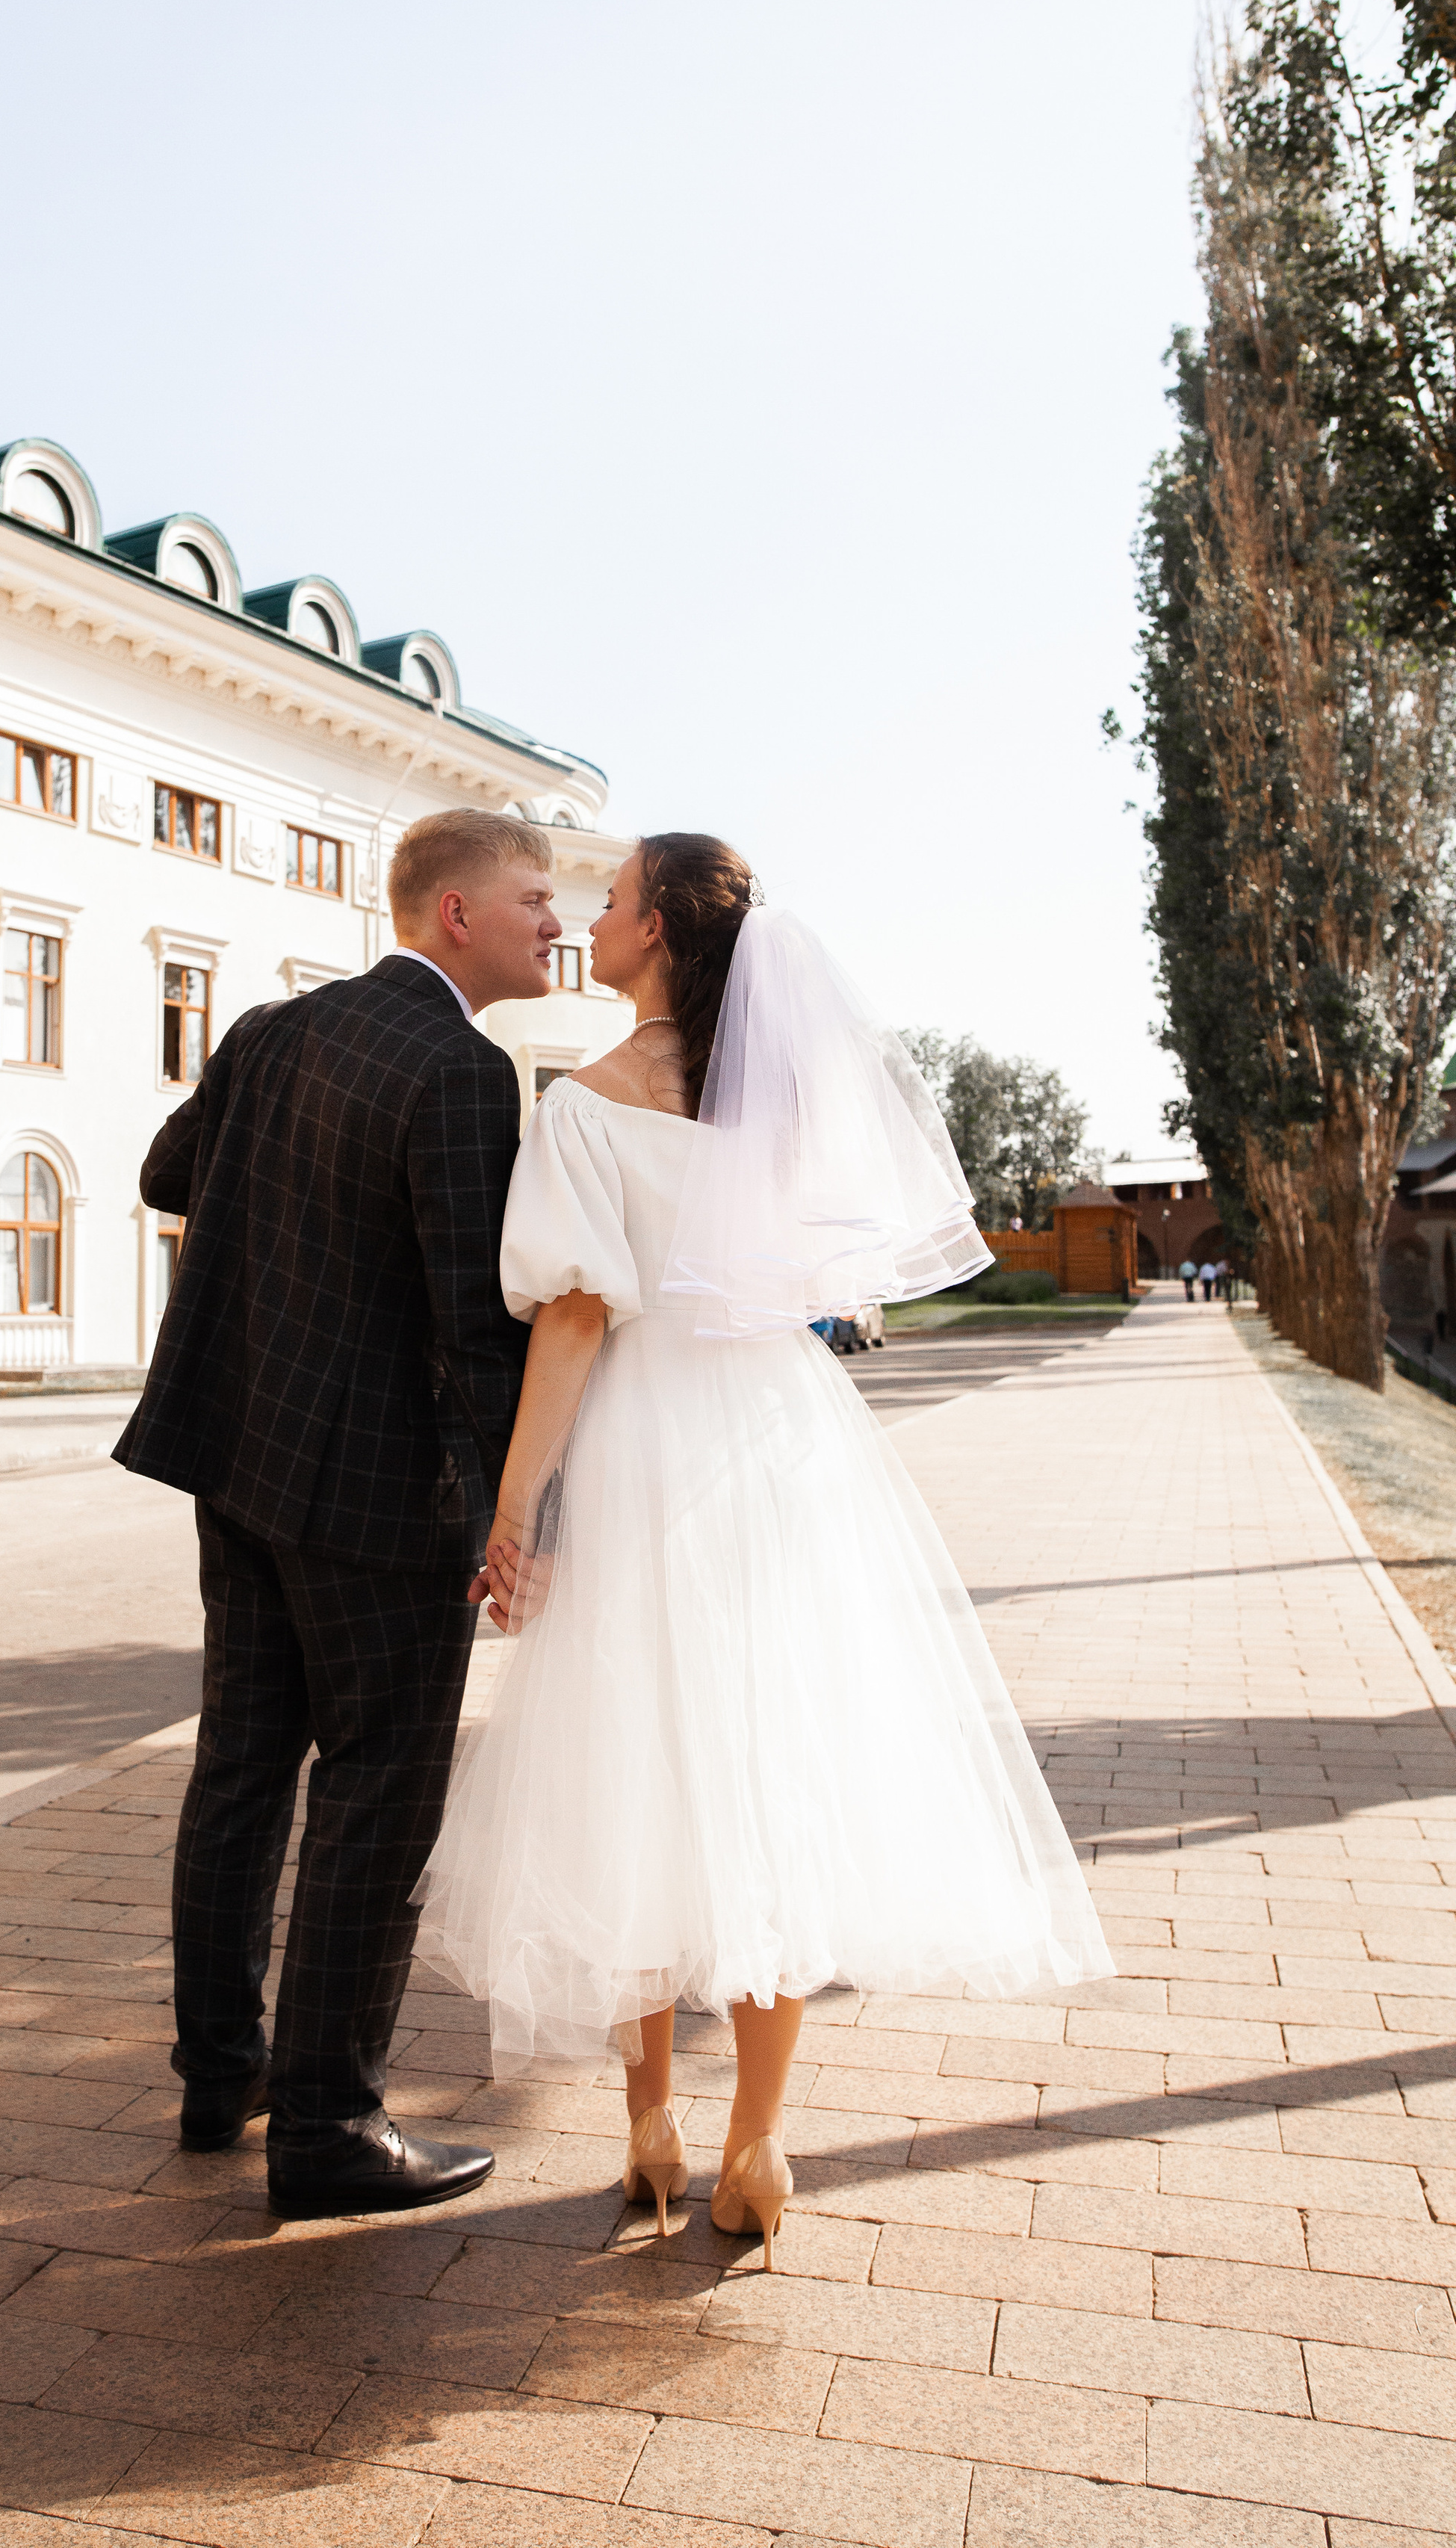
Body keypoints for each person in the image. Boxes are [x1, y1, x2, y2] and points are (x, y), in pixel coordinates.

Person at [415, 835, 1113, 2269]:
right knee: (771, 1759)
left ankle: (651, 2129)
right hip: (784, 1444)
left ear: (659, 929)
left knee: (635, 1766)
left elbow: (572, 1317)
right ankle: (761, 2142)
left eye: (608, 904)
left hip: (641, 1444)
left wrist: (512, 1506)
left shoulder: (585, 1110)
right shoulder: (780, 1112)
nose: (588, 922)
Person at [114, 808, 560, 2219]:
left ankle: (220, 2073)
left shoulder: (265, 1031)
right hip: (378, 1498)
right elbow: (474, 1324)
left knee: (243, 1768)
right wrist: (519, 1513)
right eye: (536, 898)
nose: (556, 921)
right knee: (378, 1790)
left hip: (236, 1461)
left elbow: (167, 1177)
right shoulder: (462, 1069)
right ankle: (328, 2126)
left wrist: (295, 1247)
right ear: (455, 918)